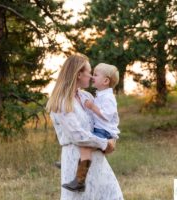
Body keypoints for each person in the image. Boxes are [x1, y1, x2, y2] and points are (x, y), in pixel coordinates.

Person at [46, 54, 123, 200]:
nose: (92, 77)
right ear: (78, 74)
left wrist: (112, 138)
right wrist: (105, 143)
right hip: (75, 161)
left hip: (98, 161)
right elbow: (78, 136)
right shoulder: (61, 101)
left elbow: (105, 120)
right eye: (89, 72)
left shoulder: (86, 97)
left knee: (113, 196)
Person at [62, 63, 120, 192]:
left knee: (86, 146)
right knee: (86, 146)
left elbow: (108, 116)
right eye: (91, 73)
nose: (92, 77)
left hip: (103, 131)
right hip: (99, 129)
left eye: (95, 75)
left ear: (105, 81)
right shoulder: (99, 94)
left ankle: (80, 180)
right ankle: (75, 166)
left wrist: (93, 107)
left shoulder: (108, 97)